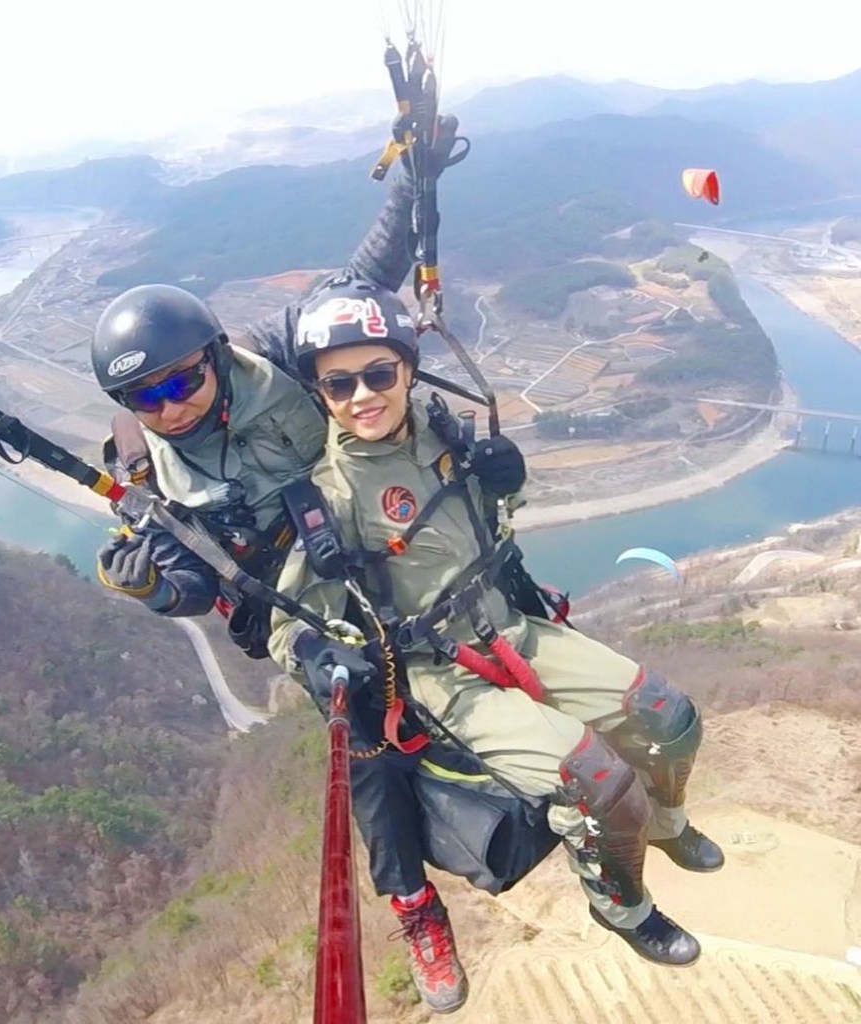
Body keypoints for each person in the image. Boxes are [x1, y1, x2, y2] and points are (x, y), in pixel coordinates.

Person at [88, 120, 561, 1015]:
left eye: (182, 382)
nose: (171, 407)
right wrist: (152, 588)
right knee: (366, 734)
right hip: (300, 603)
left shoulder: (275, 355)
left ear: (215, 357)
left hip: (374, 529)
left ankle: (583, 793)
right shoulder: (148, 474)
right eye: (145, 399)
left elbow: (363, 282)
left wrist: (412, 183)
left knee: (504, 617)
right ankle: (415, 906)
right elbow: (199, 584)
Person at [268, 277, 726, 979]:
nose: (362, 396)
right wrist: (316, 651)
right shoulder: (331, 495)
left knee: (670, 719)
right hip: (445, 673)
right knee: (592, 776)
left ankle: (666, 826)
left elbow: (493, 518)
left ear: (408, 369)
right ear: (320, 394)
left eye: (378, 374)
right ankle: (624, 908)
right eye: (338, 385)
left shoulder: (444, 435)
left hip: (513, 627)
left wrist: (509, 481)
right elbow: (286, 624)